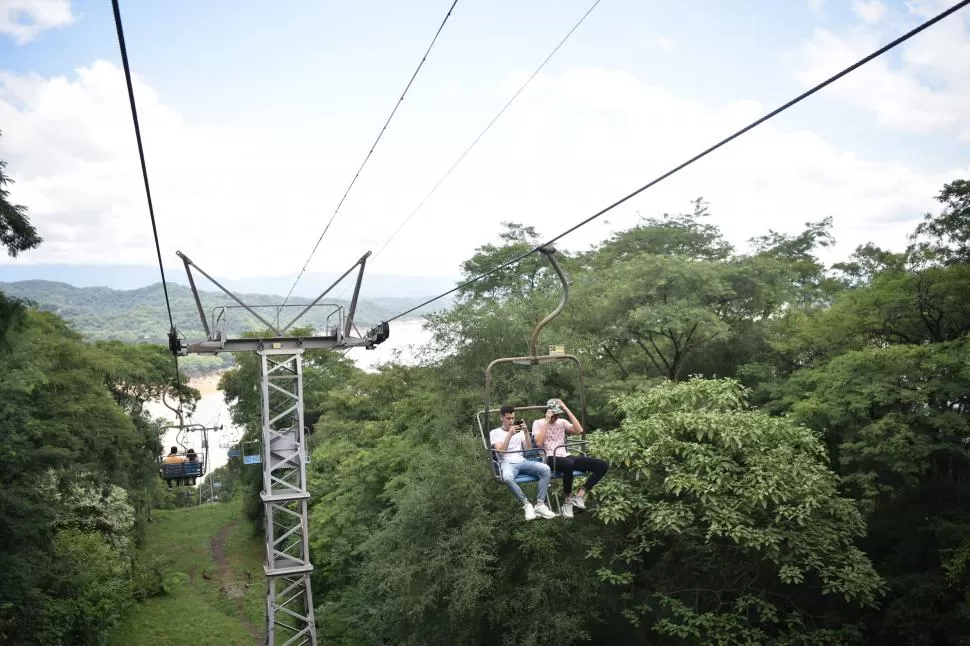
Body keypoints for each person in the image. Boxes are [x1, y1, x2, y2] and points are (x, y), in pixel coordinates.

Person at [532, 398, 609, 519]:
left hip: (565, 456)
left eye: (558, 414)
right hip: (549, 457)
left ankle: (579, 496)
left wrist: (566, 409)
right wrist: (547, 421)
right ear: (548, 412)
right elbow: (539, 443)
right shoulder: (538, 423)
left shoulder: (562, 422)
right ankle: (567, 501)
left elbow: (579, 430)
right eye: (554, 414)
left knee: (602, 465)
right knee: (568, 464)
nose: (556, 416)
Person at [490, 405, 557, 521]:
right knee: (507, 478)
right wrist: (509, 435)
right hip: (507, 463)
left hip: (521, 461)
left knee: (545, 469)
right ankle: (526, 504)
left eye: (512, 418)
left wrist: (526, 432)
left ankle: (540, 505)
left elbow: (528, 449)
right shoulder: (495, 433)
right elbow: (500, 453)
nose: (511, 421)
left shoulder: (519, 432)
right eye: (508, 418)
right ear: (501, 418)